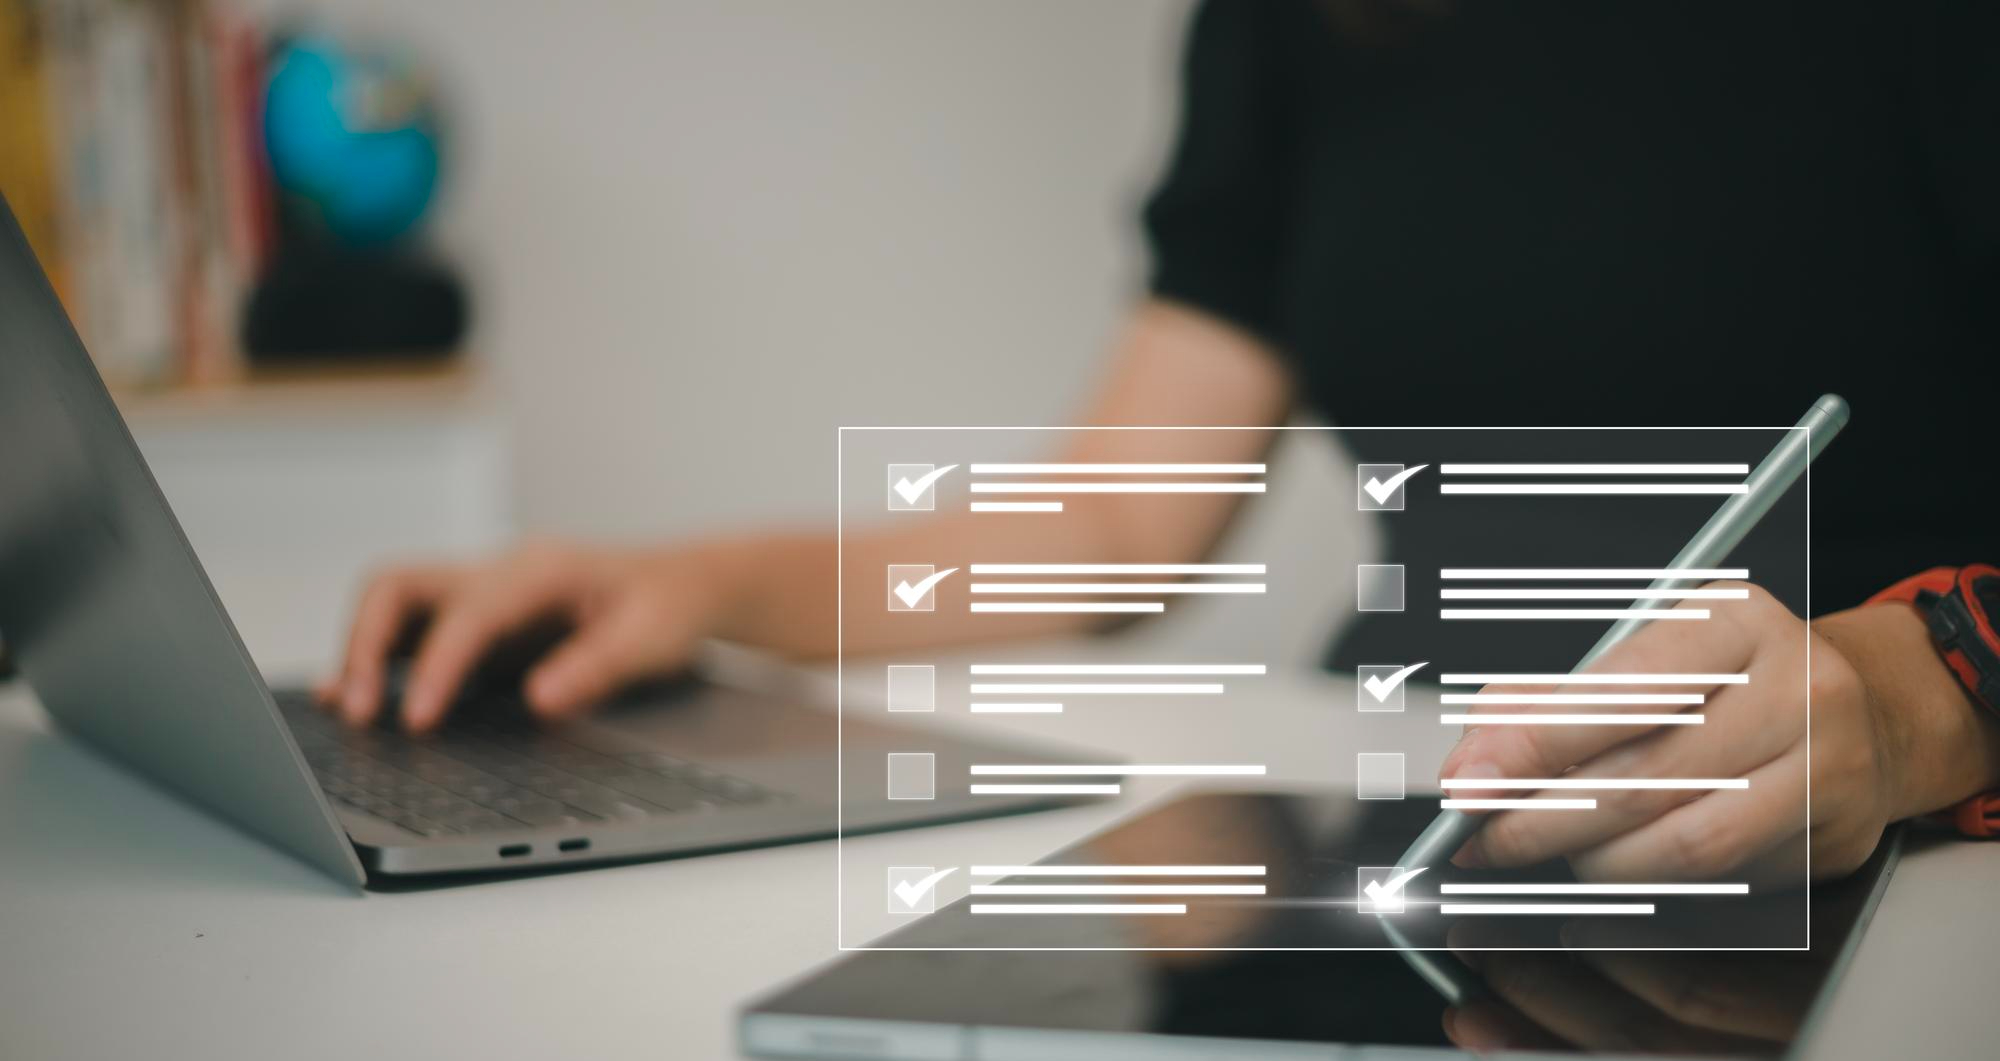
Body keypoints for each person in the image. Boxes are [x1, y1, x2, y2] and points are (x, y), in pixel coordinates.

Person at [319, 1, 2000, 887]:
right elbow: (1117, 515)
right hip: (1400, 848)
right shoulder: (1317, 21)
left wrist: (1922, 693)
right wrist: (686, 583)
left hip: (1884, 881)